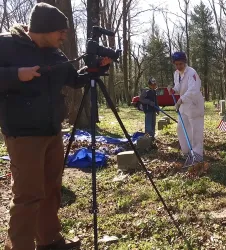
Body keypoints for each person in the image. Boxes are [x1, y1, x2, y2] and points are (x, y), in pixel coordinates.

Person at [0, 3, 111, 250]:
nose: (64, 36)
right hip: (23, 134)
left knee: (51, 190)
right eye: (60, 31)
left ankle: (50, 241)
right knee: (28, 195)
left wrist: (97, 68)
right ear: (44, 28)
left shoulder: (56, 53)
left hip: (52, 131)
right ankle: (20, 246)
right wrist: (17, 74)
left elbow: (74, 80)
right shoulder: (7, 45)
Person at [167, 52, 205, 159]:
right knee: (181, 128)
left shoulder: (192, 73)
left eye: (181, 64)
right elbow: (179, 87)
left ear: (185, 62)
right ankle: (186, 152)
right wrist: (173, 90)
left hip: (194, 105)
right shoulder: (176, 74)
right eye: (176, 64)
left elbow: (194, 90)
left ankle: (197, 155)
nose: (179, 66)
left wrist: (180, 100)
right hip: (183, 105)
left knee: (195, 130)